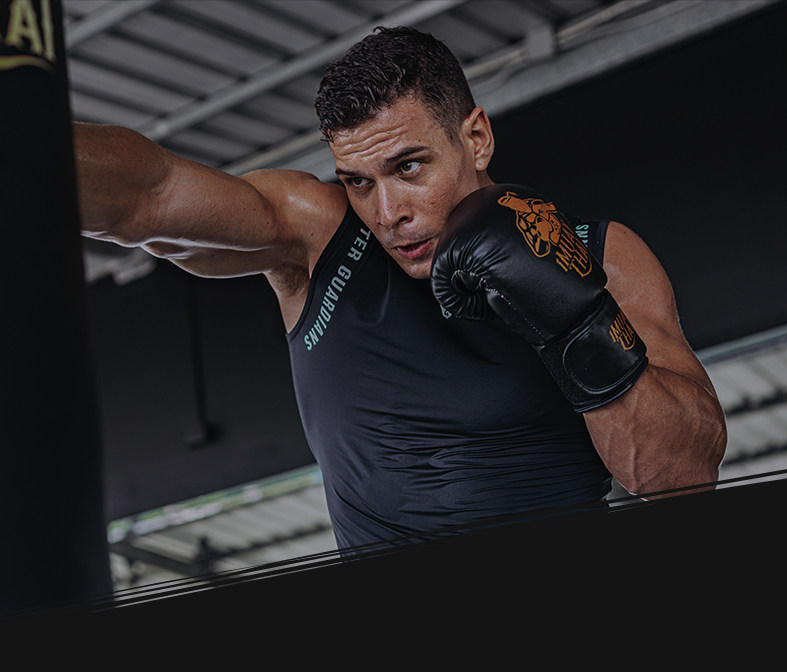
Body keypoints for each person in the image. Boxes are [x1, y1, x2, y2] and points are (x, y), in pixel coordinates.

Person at [73, 26, 727, 552]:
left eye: (408, 167)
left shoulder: (599, 253)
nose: (388, 213)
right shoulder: (318, 235)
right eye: (359, 181)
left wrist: (574, 321)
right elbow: (148, 198)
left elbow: (680, 478)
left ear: (475, 137)